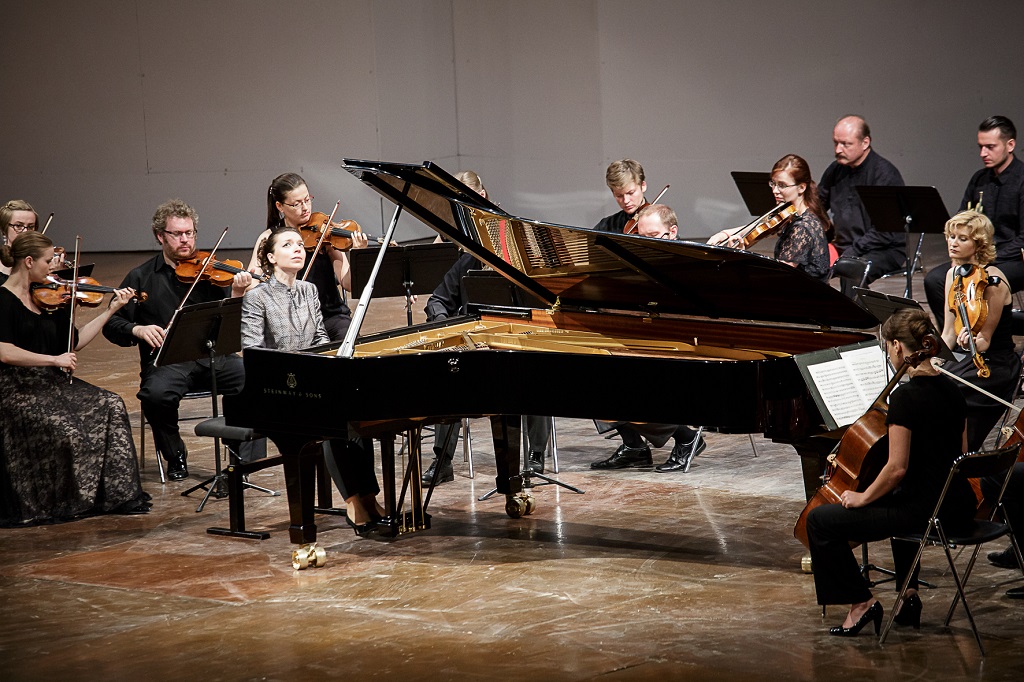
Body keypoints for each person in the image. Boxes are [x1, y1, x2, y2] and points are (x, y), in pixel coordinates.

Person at [806, 308, 974, 636]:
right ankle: (908, 595)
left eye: (887, 347)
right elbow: (962, 454)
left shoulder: (905, 398)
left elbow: (896, 469)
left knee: (820, 522)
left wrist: (862, 497)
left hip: (923, 513)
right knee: (901, 495)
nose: (887, 353)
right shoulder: (955, 391)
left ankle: (860, 603)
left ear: (898, 346)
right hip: (957, 505)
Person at [241, 227, 383, 533]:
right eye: (287, 245)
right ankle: (353, 501)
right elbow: (253, 353)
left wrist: (326, 366)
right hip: (279, 386)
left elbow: (320, 337)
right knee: (331, 418)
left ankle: (369, 495)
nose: (297, 249)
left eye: (298, 244)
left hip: (311, 378)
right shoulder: (257, 297)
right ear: (270, 257)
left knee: (360, 412)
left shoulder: (308, 290)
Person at [1, 231, 149, 525]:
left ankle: (111, 495)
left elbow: (75, 341)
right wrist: (53, 360)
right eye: (48, 262)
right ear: (28, 262)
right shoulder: (2, 300)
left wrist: (111, 310)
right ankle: (68, 498)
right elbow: (4, 351)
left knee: (111, 403)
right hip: (15, 387)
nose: (54, 269)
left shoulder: (49, 298)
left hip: (50, 382)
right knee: (66, 427)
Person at [103, 199, 254, 481]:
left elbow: (230, 322)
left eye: (190, 233)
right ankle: (175, 454)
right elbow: (112, 323)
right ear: (160, 236)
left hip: (212, 358)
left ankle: (238, 454)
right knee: (155, 396)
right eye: (177, 234)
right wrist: (137, 330)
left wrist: (237, 295)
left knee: (253, 379)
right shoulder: (140, 277)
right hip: (167, 362)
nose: (185, 240)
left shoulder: (210, 272)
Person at [420, 170, 552, 485]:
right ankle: (443, 463)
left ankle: (533, 460)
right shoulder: (469, 261)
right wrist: (445, 326)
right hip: (476, 346)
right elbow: (436, 300)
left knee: (534, 372)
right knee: (449, 375)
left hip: (519, 339)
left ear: (483, 197)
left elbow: (545, 298)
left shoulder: (514, 241)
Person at [590, 204, 707, 473]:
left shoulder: (689, 262)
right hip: (648, 337)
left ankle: (687, 437)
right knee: (590, 367)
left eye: (652, 236)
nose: (644, 243)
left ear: (672, 232)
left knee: (626, 380)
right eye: (641, 237)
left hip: (684, 344)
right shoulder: (638, 261)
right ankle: (634, 447)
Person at [924, 116, 1024, 321]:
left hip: (1012, 259)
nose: (983, 153)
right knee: (934, 280)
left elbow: (1023, 238)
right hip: (978, 257)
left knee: (982, 281)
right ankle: (956, 341)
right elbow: (962, 221)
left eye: (990, 147)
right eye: (981, 147)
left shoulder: (1021, 180)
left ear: (1010, 145)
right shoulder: (979, 179)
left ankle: (990, 342)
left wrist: (987, 259)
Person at [248, 173, 368, 341]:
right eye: (296, 204)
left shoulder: (324, 233)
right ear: (280, 206)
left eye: (307, 200)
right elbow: (252, 284)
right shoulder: (269, 238)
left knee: (349, 342)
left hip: (330, 317)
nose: (305, 208)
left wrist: (358, 254)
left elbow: (348, 283)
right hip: (291, 322)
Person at [938, 210, 1019, 452]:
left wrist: (969, 343)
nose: (953, 243)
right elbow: (948, 333)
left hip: (995, 364)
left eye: (962, 239)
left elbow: (984, 340)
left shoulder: (993, 282)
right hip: (969, 359)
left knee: (947, 393)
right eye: (951, 236)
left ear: (978, 244)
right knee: (929, 387)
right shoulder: (952, 274)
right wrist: (933, 357)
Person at [707, 154, 830, 280]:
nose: (775, 190)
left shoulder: (802, 228)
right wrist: (725, 234)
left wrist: (741, 256)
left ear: (801, 187)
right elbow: (760, 226)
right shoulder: (790, 213)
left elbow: (779, 275)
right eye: (773, 183)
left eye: (782, 185)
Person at [818, 115, 906, 288]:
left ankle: (853, 314)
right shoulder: (836, 169)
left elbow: (885, 231)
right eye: (836, 143)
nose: (838, 149)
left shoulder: (884, 174)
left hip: (883, 249)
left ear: (865, 143)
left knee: (851, 269)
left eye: (846, 144)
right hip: (845, 246)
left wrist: (852, 252)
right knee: (805, 262)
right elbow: (817, 206)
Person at [594, 159, 649, 233]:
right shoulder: (607, 225)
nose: (626, 201)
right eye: (619, 196)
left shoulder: (661, 220)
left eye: (631, 193)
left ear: (643, 186)